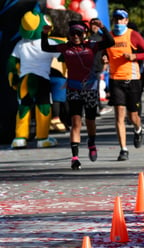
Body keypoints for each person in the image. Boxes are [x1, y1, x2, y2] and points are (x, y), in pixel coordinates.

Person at [42, 19, 115, 170]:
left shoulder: (92, 46)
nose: (75, 36)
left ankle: (92, 142)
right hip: (73, 89)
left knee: (90, 120)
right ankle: (74, 157)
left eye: (79, 33)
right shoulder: (65, 48)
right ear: (69, 35)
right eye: (73, 33)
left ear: (84, 34)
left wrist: (103, 28)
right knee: (75, 122)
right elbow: (46, 47)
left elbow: (110, 42)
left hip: (90, 88)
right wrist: (45, 33)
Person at [8, 6, 62, 149]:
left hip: (24, 80)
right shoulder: (49, 43)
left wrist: (12, 75)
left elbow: (12, 62)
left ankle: (20, 138)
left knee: (23, 108)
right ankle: (42, 138)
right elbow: (64, 55)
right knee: (43, 108)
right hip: (42, 80)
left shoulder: (20, 45)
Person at [105, 9, 144, 161]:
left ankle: (138, 129)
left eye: (121, 19)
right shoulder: (109, 36)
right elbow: (103, 52)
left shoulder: (132, 35)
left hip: (132, 79)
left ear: (126, 21)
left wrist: (134, 56)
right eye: (116, 19)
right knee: (119, 114)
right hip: (115, 79)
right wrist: (104, 58)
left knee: (133, 116)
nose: (118, 22)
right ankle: (123, 149)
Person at [88, 18, 112, 117]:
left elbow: (107, 51)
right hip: (87, 67)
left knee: (95, 88)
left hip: (98, 67)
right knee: (89, 89)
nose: (94, 27)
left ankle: (99, 107)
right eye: (92, 25)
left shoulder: (102, 37)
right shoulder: (87, 37)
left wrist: (105, 64)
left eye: (96, 25)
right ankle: (94, 108)